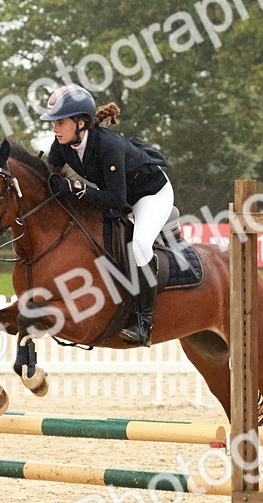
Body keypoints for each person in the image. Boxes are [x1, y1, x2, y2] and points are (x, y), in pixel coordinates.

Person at [40, 84, 173, 347]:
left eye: (60, 122)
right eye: (53, 123)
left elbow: (119, 201)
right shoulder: (62, 144)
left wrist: (78, 189)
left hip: (149, 196)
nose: (54, 128)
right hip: (115, 194)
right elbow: (49, 177)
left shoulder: (108, 146)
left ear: (81, 123)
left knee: (140, 245)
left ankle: (143, 323)